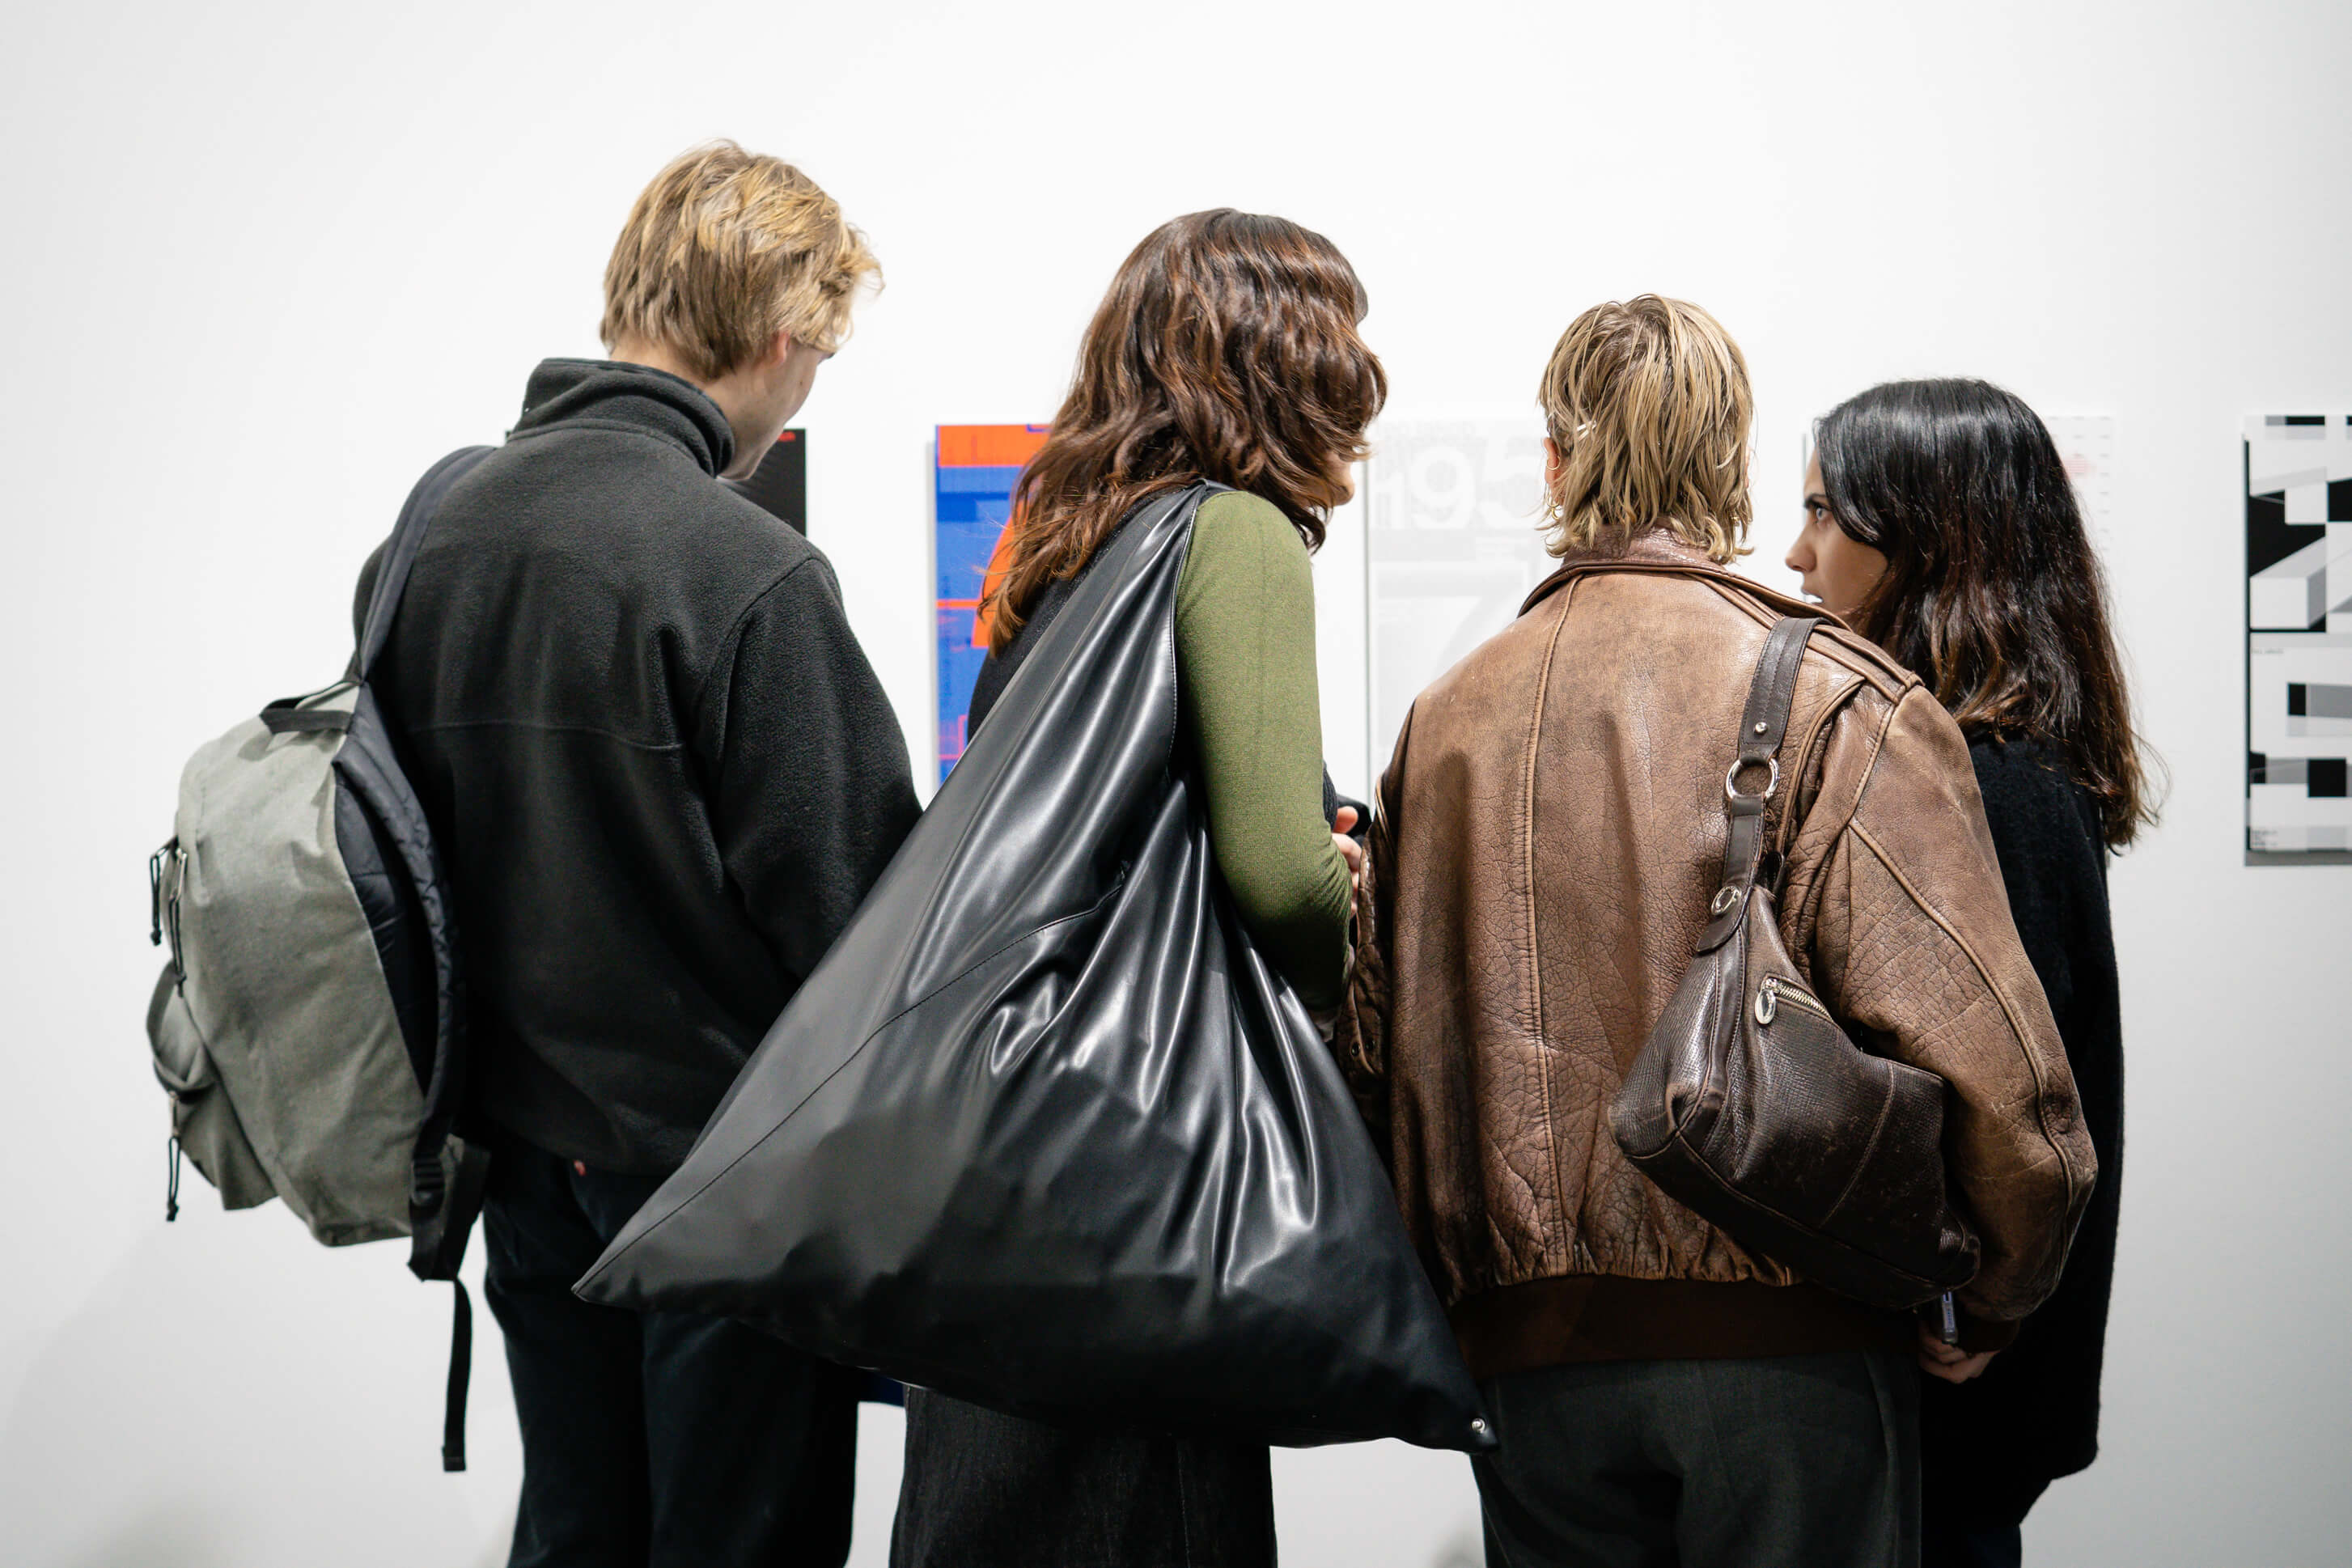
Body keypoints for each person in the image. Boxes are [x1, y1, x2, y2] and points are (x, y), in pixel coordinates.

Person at [1337, 297, 2098, 1568]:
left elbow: (1380, 1050)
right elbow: (1993, 1057)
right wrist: (1999, 1282)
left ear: (1557, 461)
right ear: (1730, 457)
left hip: (1526, 1361)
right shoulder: (1838, 695)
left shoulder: (1445, 720)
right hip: (1791, 1340)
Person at [355, 142, 919, 1568]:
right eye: (817, 368)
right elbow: (865, 932)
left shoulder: (430, 539)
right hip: (731, 1204)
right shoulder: (747, 571)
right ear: (785, 339)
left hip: (526, 1177)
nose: (799, 410)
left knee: (575, 1538)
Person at [887, 208, 1380, 1568]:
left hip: (999, 1148)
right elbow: (1281, 878)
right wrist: (1342, 924)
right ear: (1285, 361)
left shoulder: (1058, 549)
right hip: (1145, 1160)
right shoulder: (1236, 536)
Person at [1791, 379, 2151, 1568]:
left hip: (1952, 1372)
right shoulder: (2007, 770)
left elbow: (2013, 1099)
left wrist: (1976, 1300)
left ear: (1922, 544)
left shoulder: (1985, 784)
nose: (1796, 557)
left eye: (1824, 518)